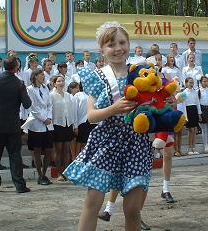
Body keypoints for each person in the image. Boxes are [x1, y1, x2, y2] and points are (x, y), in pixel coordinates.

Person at [64, 21, 152, 231]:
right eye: (111, 44)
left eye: (122, 42)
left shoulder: (142, 73)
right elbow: (91, 116)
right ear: (101, 50)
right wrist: (114, 109)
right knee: (93, 202)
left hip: (135, 146)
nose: (118, 48)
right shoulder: (97, 77)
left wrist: (166, 102)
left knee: (132, 209)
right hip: (106, 143)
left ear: (129, 44)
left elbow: (155, 105)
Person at [0, 56, 32, 193]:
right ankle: (20, 186)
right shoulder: (19, 83)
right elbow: (27, 104)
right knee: (15, 156)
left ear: (4, 66)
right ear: (16, 67)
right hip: (13, 125)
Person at [22, 69, 53, 186]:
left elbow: (50, 104)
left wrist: (49, 117)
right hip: (36, 122)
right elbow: (32, 107)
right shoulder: (30, 89)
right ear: (35, 76)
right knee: (37, 150)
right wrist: (43, 118)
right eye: (41, 75)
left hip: (48, 123)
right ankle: (40, 175)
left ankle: (44, 174)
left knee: (49, 150)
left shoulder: (45, 88)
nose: (43, 76)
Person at [51, 74, 77, 181]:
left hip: (67, 124)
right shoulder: (51, 95)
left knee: (67, 150)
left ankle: (66, 172)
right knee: (58, 150)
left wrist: (74, 125)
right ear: (54, 83)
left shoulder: (68, 95)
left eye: (62, 81)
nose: (61, 83)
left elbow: (72, 111)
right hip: (57, 124)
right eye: (59, 81)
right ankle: (59, 173)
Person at [180, 77, 201, 155]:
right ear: (186, 83)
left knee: (195, 130)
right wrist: (185, 117)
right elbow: (183, 105)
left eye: (192, 82)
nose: (191, 84)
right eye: (190, 82)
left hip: (194, 110)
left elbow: (197, 103)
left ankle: (193, 147)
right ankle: (189, 148)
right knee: (191, 130)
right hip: (188, 111)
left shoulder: (195, 92)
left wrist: (199, 114)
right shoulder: (183, 93)